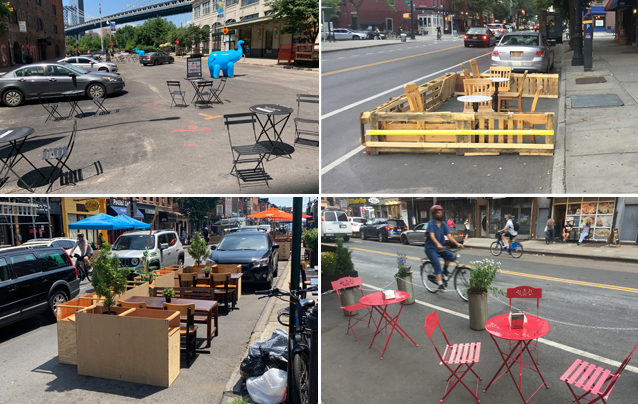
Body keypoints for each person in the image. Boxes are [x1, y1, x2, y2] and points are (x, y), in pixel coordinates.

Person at [425, 205, 464, 292]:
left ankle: (445, 270)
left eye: (441, 213)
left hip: (440, 247)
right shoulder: (431, 224)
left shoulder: (443, 224)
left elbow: (449, 235)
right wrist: (438, 244)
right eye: (438, 213)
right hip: (431, 248)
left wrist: (457, 243)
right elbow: (432, 236)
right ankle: (440, 285)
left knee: (450, 255)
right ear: (434, 214)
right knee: (437, 264)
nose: (440, 214)